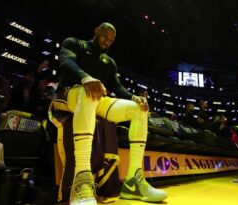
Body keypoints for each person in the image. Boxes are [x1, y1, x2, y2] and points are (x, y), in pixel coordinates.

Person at [58, 22, 167, 205]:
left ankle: (133, 182)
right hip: (69, 93)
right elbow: (65, 61)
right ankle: (81, 180)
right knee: (89, 92)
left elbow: (117, 87)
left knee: (138, 109)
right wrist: (86, 78)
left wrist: (134, 97)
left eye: (111, 40)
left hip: (94, 99)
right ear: (96, 31)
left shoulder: (109, 62)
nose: (107, 42)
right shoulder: (75, 43)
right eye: (104, 36)